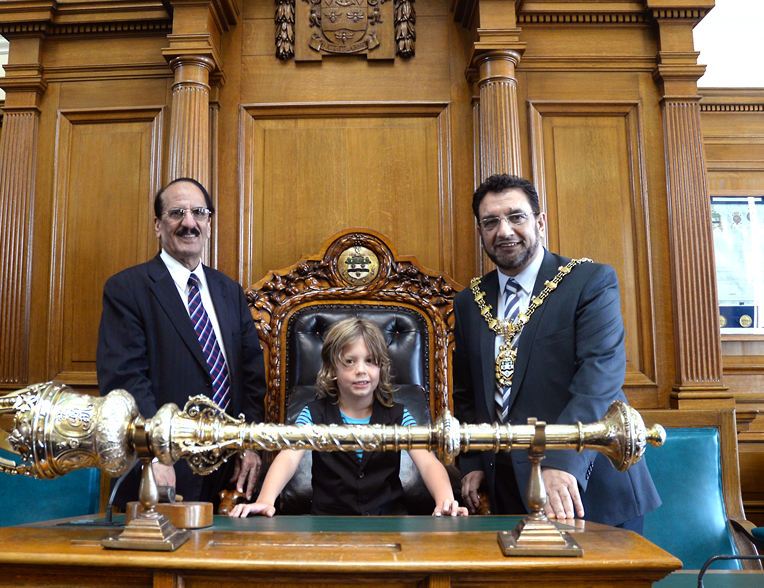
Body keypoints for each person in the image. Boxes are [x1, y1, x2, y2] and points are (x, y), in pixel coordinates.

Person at [453, 174, 660, 533]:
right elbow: (466, 394)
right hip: (504, 491)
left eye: (516, 217)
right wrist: (471, 460)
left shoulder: (589, 282)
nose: (504, 231)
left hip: (588, 487)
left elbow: (599, 378)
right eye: (490, 222)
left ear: (540, 221)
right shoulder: (470, 301)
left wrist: (564, 460)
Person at [97, 177, 267, 505]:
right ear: (158, 226)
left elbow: (251, 379)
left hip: (230, 470)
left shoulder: (229, 290)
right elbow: (126, 381)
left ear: (209, 224)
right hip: (165, 468)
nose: (189, 223)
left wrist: (250, 444)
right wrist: (155, 456)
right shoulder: (128, 289)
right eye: (177, 213)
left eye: (198, 213)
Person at [230, 318, 467, 517]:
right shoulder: (312, 414)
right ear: (332, 368)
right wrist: (266, 500)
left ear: (381, 367)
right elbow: (289, 457)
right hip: (328, 524)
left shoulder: (399, 414)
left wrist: (445, 501)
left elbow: (427, 462)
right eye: (350, 361)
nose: (361, 370)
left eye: (370, 361)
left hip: (389, 523)